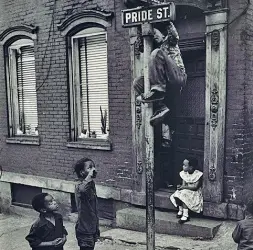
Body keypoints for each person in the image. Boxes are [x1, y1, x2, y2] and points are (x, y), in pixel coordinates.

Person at [136, 21, 187, 125]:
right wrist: (139, 28)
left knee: (156, 53)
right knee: (137, 82)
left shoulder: (169, 41)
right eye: (152, 35)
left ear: (162, 33)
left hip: (178, 76)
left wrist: (164, 19)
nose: (154, 37)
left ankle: (158, 92)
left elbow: (174, 35)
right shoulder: (154, 47)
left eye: (155, 33)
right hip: (166, 81)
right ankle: (160, 107)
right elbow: (140, 47)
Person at [73, 158, 99, 250]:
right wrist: (89, 177)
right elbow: (82, 190)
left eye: (94, 167)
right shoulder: (80, 185)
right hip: (84, 229)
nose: (93, 169)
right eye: (90, 168)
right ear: (82, 172)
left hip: (92, 227)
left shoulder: (90, 184)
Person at [170, 157, 203, 224]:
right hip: (186, 190)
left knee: (184, 194)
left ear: (191, 167)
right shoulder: (184, 173)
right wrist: (180, 187)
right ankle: (181, 210)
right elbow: (184, 184)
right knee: (178, 193)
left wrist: (184, 187)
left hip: (194, 192)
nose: (183, 166)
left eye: (185, 165)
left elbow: (195, 187)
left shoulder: (198, 175)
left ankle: (186, 215)